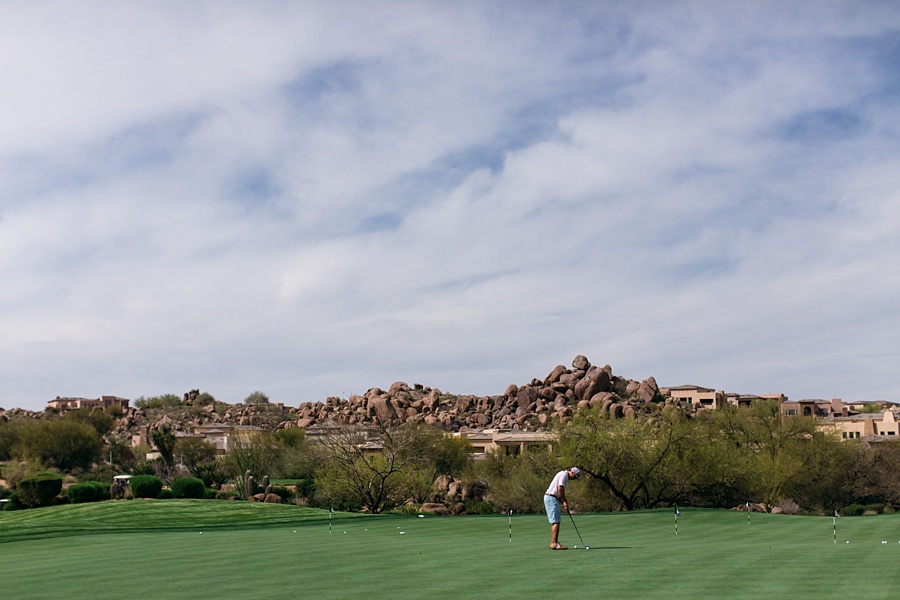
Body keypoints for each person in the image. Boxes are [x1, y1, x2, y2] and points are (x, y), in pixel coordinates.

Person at [544, 467, 581, 549]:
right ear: (572, 472)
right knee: (556, 521)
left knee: (556, 520)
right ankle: (554, 543)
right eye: (574, 477)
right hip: (551, 498)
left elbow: (559, 493)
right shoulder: (564, 475)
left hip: (553, 498)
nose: (574, 479)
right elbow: (560, 489)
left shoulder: (565, 477)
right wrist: (565, 501)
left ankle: (554, 542)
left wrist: (564, 504)